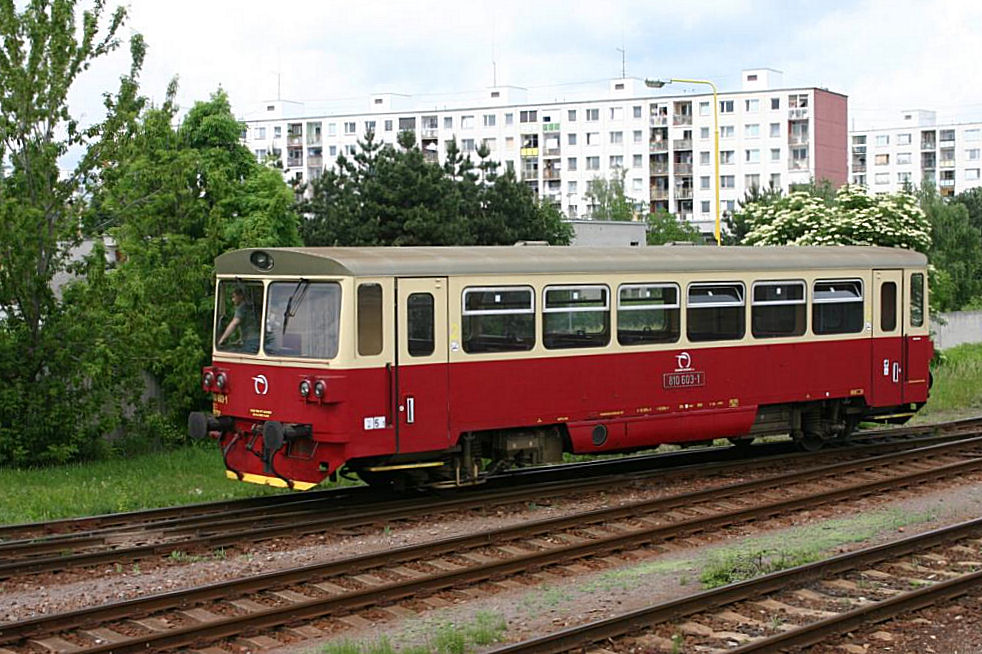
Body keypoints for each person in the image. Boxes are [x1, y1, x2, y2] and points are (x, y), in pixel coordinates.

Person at [218, 287, 259, 352]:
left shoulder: (242, 307)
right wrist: (241, 339)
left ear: (241, 296)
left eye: (234, 297)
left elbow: (234, 323)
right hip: (255, 339)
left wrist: (222, 339)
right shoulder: (249, 306)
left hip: (251, 341)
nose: (233, 300)